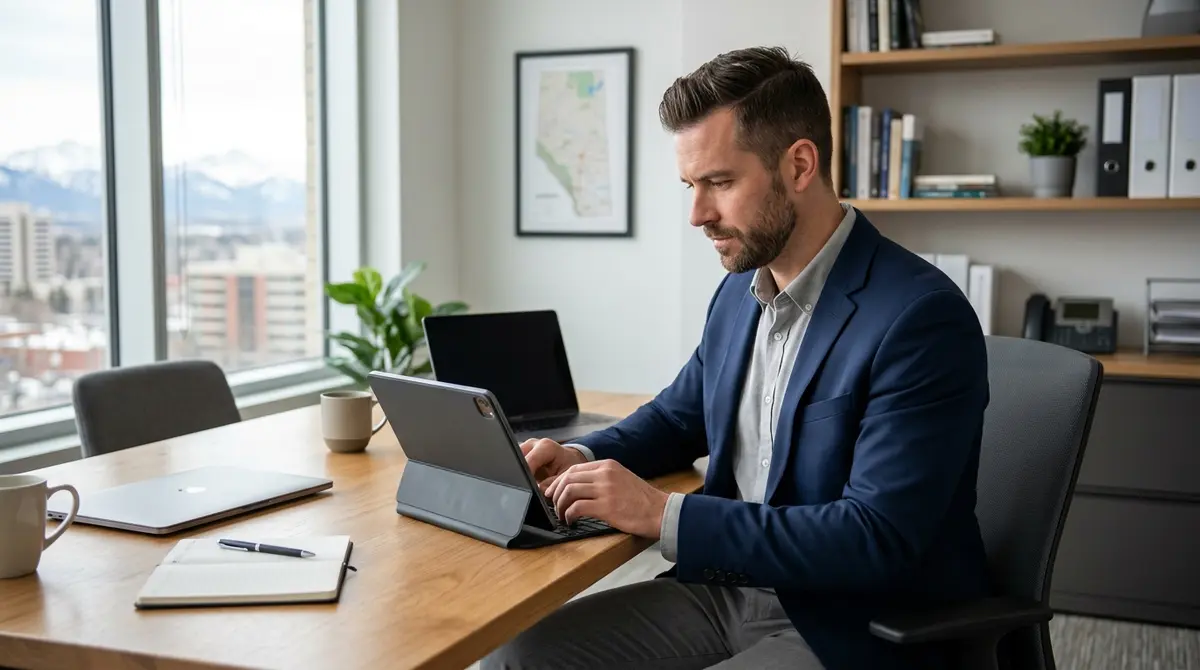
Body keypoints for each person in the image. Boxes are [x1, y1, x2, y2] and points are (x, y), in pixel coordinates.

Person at [483, 45, 991, 670]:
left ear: (800, 164)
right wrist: (584, 456)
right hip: (725, 590)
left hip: (850, 620)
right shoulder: (739, 292)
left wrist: (662, 512)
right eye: (691, 186)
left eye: (720, 182)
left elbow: (875, 537)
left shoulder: (918, 318)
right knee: (514, 659)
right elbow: (676, 418)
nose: (697, 214)